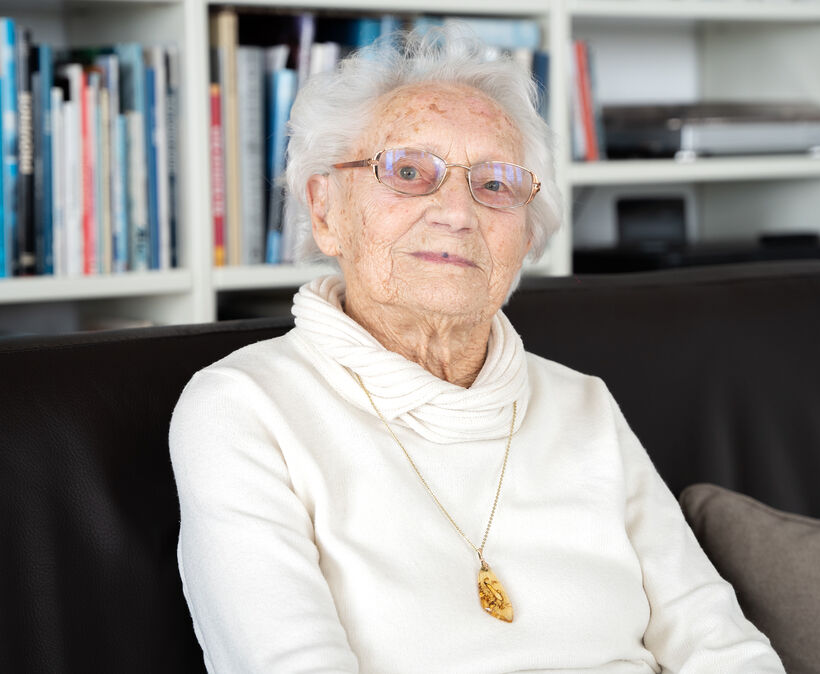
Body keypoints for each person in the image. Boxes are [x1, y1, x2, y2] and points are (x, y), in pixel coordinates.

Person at [169, 26, 784, 673]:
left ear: (527, 235)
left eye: (495, 185)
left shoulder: (585, 405)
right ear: (325, 210)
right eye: (408, 172)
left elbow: (720, 645)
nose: (457, 212)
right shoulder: (244, 412)